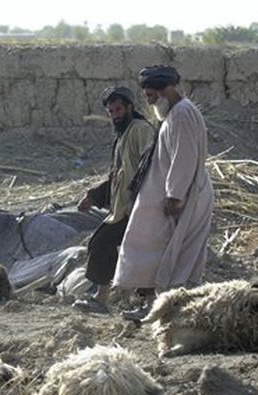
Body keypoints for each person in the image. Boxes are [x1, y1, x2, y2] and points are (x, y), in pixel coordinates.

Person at [113, 65, 214, 318]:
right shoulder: (175, 113)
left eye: (150, 95)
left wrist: (174, 195)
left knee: (174, 254)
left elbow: (185, 156)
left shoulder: (181, 114)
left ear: (165, 90)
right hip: (170, 196)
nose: (148, 101)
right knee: (153, 248)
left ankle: (169, 310)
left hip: (182, 198)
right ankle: (155, 307)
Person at [74, 86, 155, 312]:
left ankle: (109, 299)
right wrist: (93, 196)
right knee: (113, 246)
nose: (115, 115)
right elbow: (119, 175)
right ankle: (112, 298)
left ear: (130, 107)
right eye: (110, 111)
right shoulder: (123, 135)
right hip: (124, 207)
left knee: (127, 249)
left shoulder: (140, 130)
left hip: (138, 206)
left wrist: (142, 203)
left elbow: (150, 168)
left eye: (118, 109)